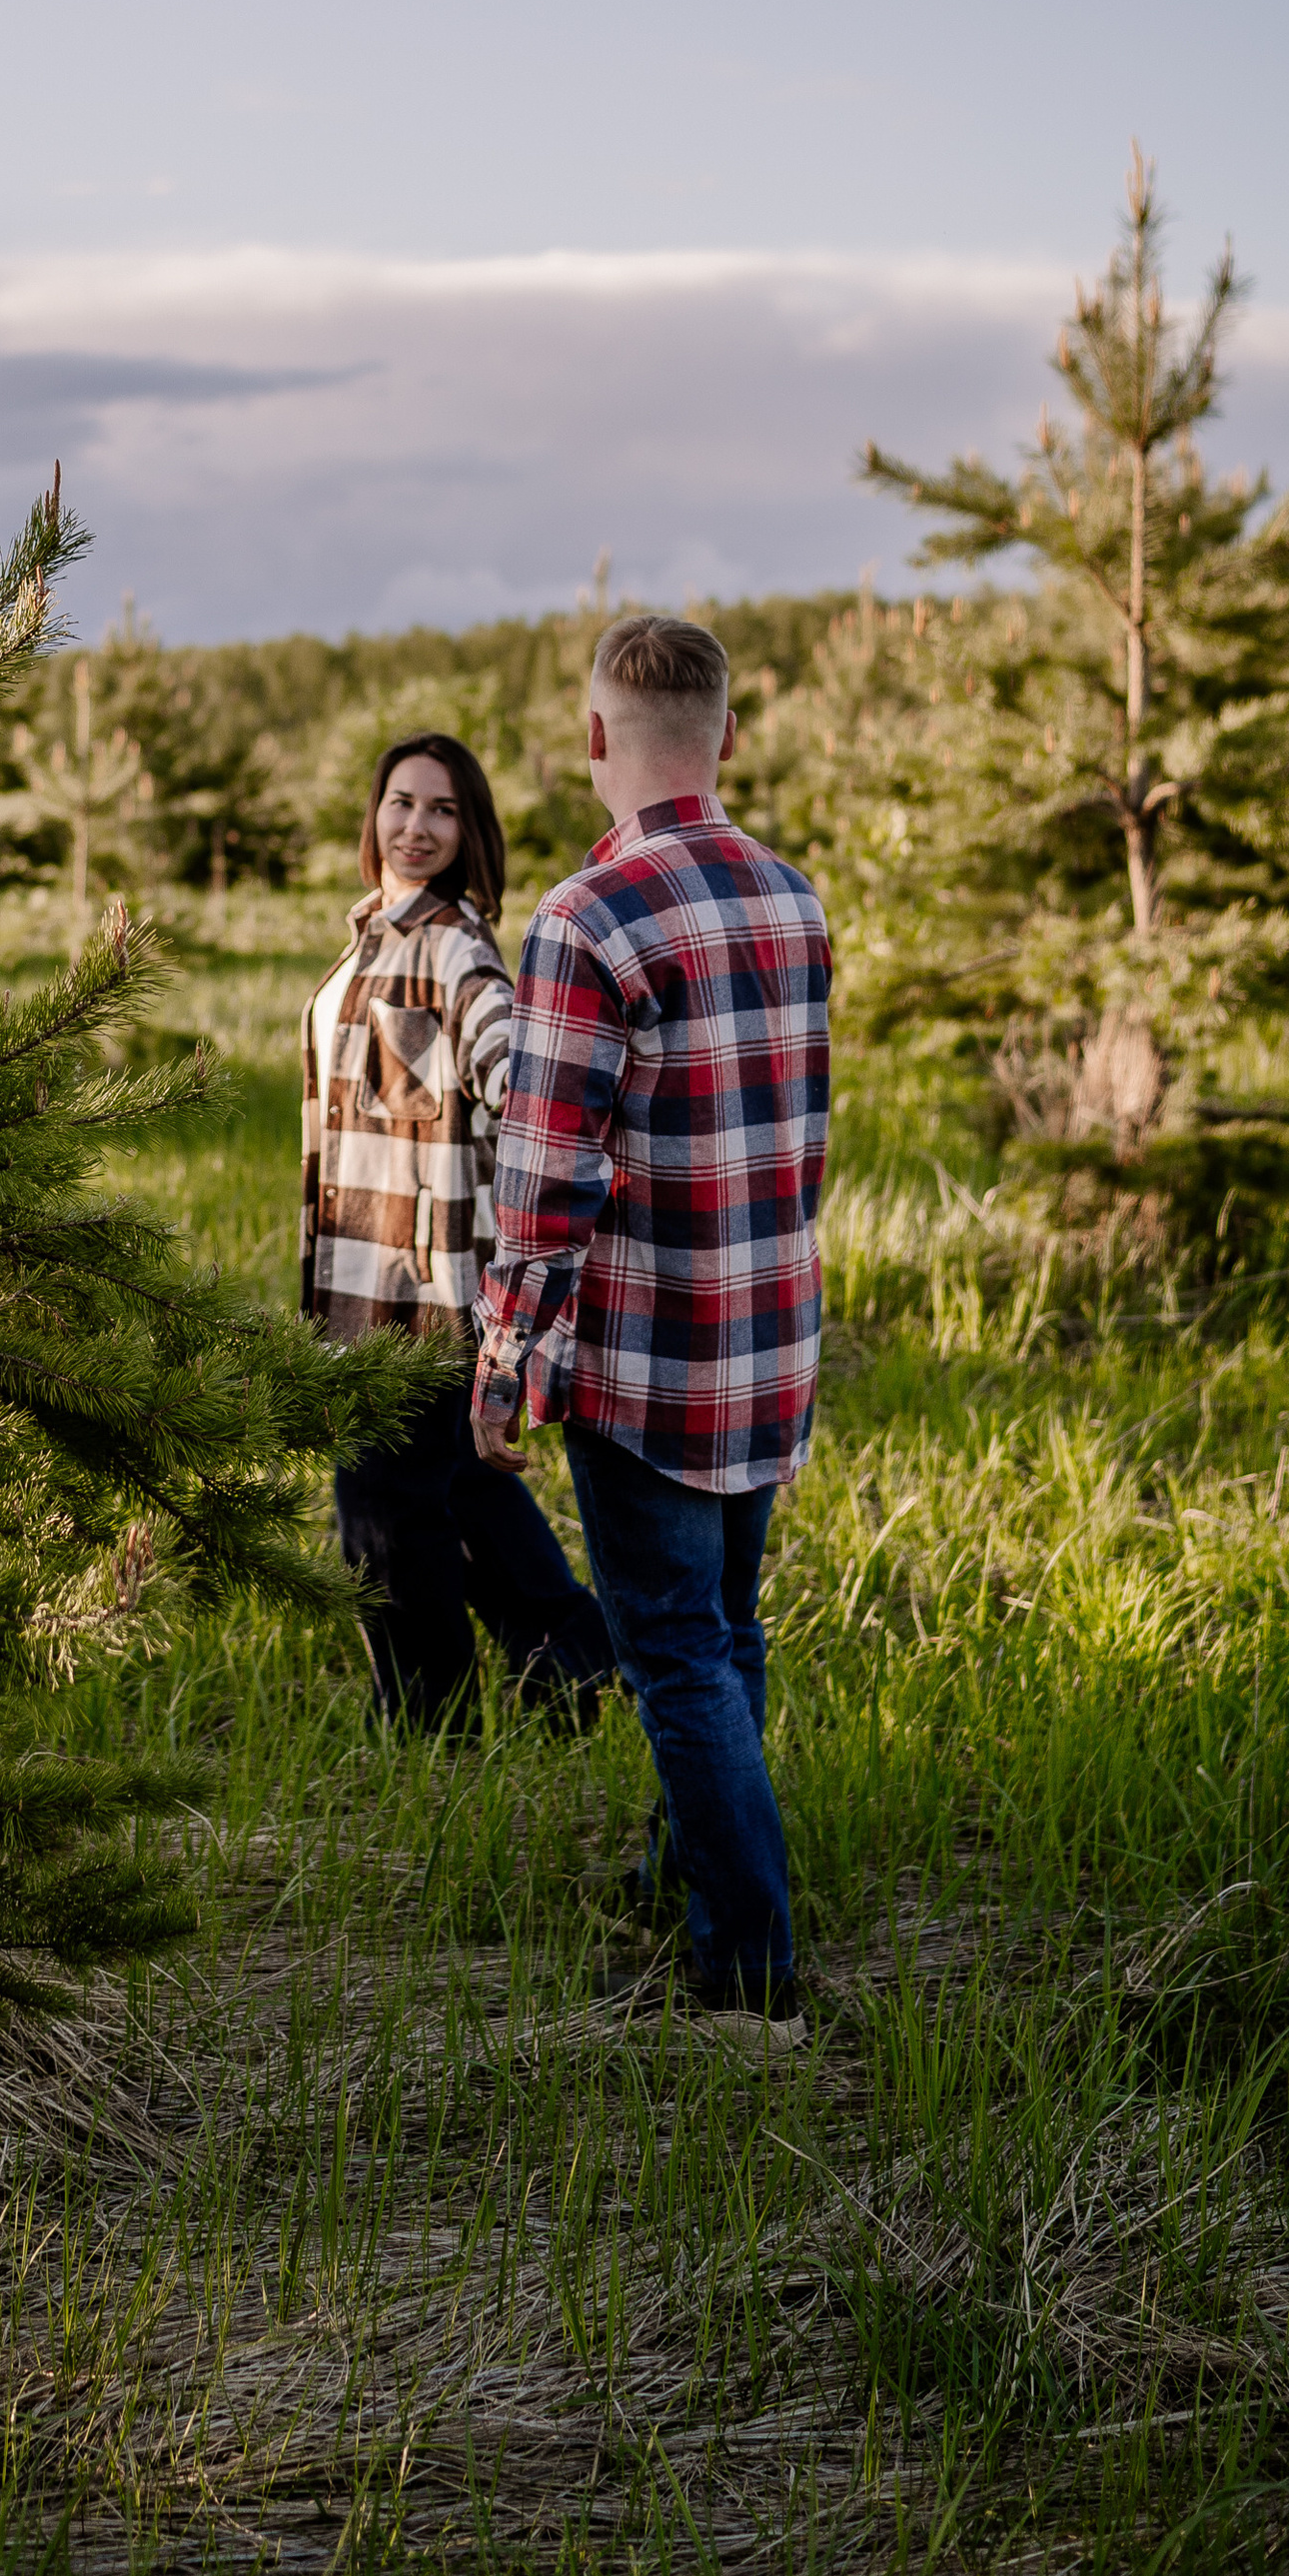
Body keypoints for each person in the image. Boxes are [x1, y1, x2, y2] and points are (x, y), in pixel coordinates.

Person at [471, 617, 830, 2036]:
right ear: (728, 737)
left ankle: (750, 1980)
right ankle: (690, 1880)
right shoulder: (794, 900)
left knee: (677, 1653)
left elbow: (545, 1180)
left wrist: (505, 1365)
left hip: (648, 1365)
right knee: (726, 1636)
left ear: (596, 741)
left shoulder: (586, 920)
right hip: (766, 1340)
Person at [303, 731, 617, 1731]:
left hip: (419, 1295)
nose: (416, 825)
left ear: (468, 830)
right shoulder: (368, 938)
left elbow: (514, 1070)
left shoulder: (453, 946)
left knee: (384, 1527)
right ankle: (575, 1662)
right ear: (374, 814)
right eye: (401, 803)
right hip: (353, 1279)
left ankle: (431, 1736)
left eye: (441, 809)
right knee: (460, 1495)